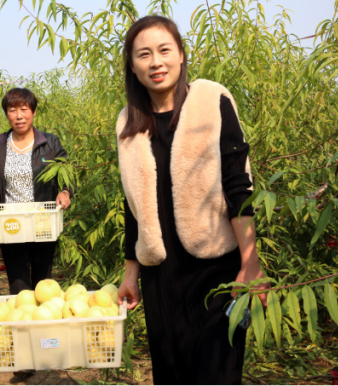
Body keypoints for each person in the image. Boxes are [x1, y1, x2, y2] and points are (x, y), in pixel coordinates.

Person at [116, 16, 271, 385]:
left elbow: (238, 185)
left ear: (182, 55)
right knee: (172, 374)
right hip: (162, 277)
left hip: (217, 267)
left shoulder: (211, 100)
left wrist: (251, 262)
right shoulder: (129, 122)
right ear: (133, 67)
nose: (156, 62)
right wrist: (130, 274)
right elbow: (132, 204)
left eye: (164, 50)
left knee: (218, 373)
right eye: (144, 55)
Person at [0, 88, 72, 295]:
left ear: (34, 112)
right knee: (18, 287)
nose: (19, 116)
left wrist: (65, 192)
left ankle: (44, 326)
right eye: (12, 110)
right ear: (6, 114)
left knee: (43, 285)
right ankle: (23, 326)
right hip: (10, 224)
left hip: (42, 221)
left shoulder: (50, 143)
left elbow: (66, 175)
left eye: (24, 109)